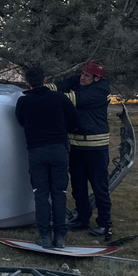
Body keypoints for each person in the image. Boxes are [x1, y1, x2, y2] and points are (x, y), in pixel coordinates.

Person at [15, 66, 80, 249]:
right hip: (59, 150)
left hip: (36, 151)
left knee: (41, 195)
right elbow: (77, 121)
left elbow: (21, 121)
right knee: (59, 193)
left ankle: (44, 236)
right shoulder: (59, 98)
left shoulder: (23, 102)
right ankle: (60, 236)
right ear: (45, 81)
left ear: (27, 83)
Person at [54, 60, 112, 237]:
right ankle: (82, 219)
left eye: (87, 75)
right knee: (78, 186)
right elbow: (59, 86)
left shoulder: (100, 91)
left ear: (96, 78)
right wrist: (44, 87)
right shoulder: (78, 81)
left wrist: (44, 95)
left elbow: (71, 100)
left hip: (96, 147)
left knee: (99, 187)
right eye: (82, 74)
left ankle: (104, 223)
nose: (82, 77)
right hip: (77, 146)